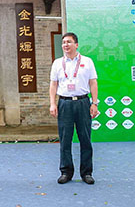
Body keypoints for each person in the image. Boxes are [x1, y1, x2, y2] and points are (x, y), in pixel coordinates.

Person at [49, 32, 99, 185]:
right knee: (65, 140)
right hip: (65, 103)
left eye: (69, 42)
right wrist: (53, 103)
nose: (66, 45)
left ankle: (87, 173)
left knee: (85, 139)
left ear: (76, 45)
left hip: (83, 102)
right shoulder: (57, 63)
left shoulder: (87, 62)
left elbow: (93, 83)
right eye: (64, 42)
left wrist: (94, 103)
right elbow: (53, 84)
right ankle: (66, 172)